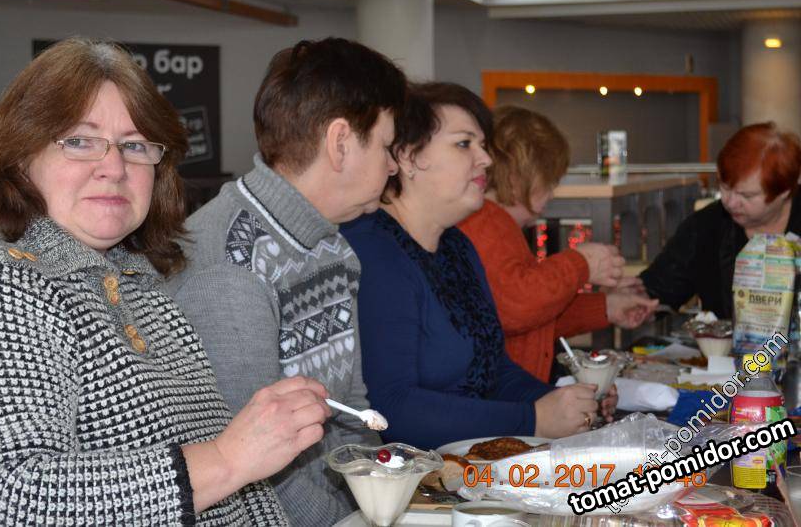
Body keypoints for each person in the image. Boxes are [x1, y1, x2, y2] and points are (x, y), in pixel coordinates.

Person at [0, 38, 330, 525]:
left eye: (135, 146)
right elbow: (5, 503)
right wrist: (227, 459)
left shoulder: (139, 287)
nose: (115, 168)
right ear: (19, 158)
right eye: (80, 141)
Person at [166, 37, 406, 527]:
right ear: (340, 143)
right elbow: (260, 475)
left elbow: (352, 413)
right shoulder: (229, 270)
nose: (394, 165)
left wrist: (385, 499)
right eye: (386, 146)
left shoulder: (332, 244)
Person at [340, 83, 615, 451]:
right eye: (464, 144)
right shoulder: (373, 250)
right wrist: (533, 418)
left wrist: (564, 404)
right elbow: (392, 409)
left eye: (483, 145)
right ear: (406, 156)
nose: (485, 159)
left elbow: (493, 370)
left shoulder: (456, 246)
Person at [458, 106, 658, 381]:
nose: (552, 193)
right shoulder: (486, 223)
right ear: (519, 177)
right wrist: (581, 263)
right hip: (502, 393)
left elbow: (534, 318)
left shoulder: (496, 224)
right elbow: (518, 306)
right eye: (550, 181)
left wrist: (607, 307)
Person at [641, 122, 801, 319]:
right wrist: (631, 300)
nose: (731, 202)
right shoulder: (706, 226)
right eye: (724, 187)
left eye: (747, 196)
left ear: (784, 192)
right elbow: (659, 288)